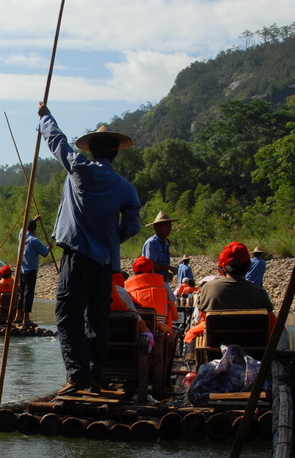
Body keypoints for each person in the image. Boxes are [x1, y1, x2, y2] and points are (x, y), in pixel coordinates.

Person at [38, 102, 142, 395]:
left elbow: (57, 142)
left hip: (77, 255)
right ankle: (96, 376)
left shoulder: (80, 168)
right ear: (115, 153)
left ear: (92, 151)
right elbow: (131, 226)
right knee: (97, 319)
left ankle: (78, 375)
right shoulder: (125, 187)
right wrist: (110, 240)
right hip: (105, 263)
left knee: (68, 314)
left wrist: (45, 116)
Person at [124, 256, 178, 336]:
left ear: (135, 273)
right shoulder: (164, 286)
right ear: (152, 270)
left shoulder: (126, 289)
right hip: (161, 331)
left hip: (137, 329)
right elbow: (175, 317)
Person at [18, 215, 52, 326]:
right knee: (28, 294)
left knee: (21, 293)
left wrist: (34, 219)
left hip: (21, 270)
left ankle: (18, 316)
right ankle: (25, 319)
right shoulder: (34, 240)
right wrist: (48, 248)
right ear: (34, 229)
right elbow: (45, 253)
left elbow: (23, 228)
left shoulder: (21, 236)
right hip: (30, 270)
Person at [142, 211, 177, 286]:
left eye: (169, 226)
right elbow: (151, 266)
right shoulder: (151, 243)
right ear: (157, 227)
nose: (168, 229)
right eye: (165, 226)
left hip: (161, 282)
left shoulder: (166, 243)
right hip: (152, 283)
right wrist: (169, 268)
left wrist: (166, 274)